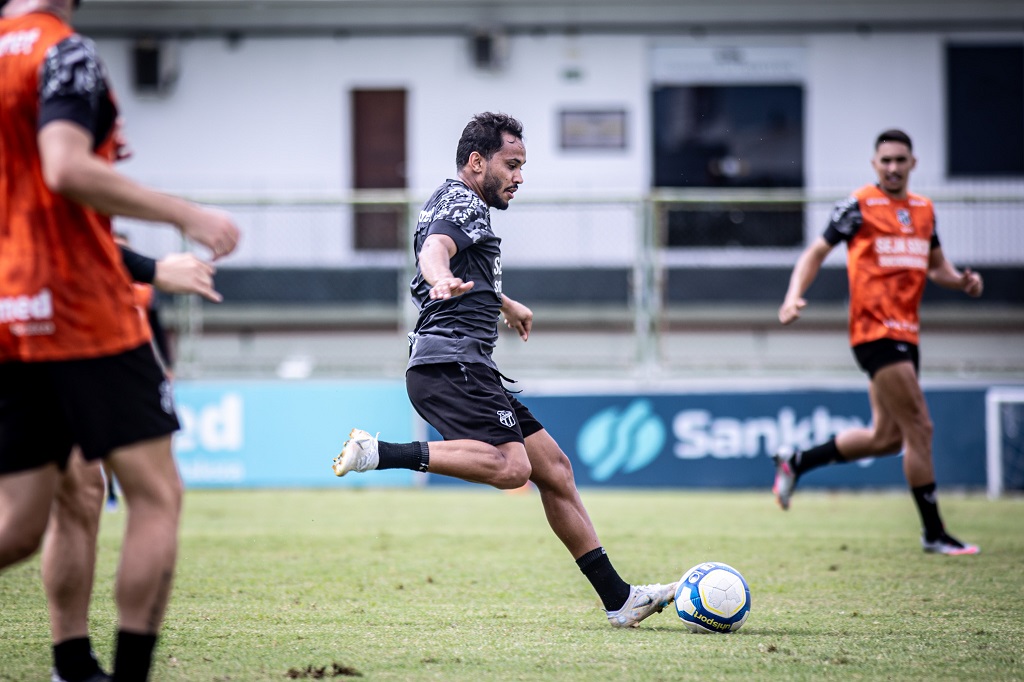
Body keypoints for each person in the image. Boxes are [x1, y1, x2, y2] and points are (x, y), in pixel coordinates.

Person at [332, 112, 678, 627]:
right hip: (452, 359)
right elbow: (436, 251)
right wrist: (440, 276)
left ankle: (619, 599)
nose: (520, 177)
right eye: (511, 165)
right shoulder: (464, 204)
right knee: (513, 467)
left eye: (522, 166)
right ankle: (377, 452)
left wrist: (502, 302)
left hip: (462, 361)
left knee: (554, 470)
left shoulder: (455, 201)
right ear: (477, 162)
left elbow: (461, 262)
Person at [0, 3, 240, 682]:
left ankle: (73, 666)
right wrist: (184, 214)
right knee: (157, 495)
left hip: (12, 308)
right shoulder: (63, 51)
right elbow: (65, 170)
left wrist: (150, 263)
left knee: (26, 520)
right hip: (81, 311)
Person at [772, 128, 983, 556]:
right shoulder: (858, 206)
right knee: (921, 427)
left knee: (887, 437)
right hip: (874, 333)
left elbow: (936, 267)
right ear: (875, 164)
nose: (892, 168)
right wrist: (793, 295)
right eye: (885, 160)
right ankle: (934, 533)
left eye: (900, 160)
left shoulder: (924, 210)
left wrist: (961, 281)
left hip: (907, 333)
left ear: (913, 164)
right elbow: (814, 253)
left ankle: (797, 461)